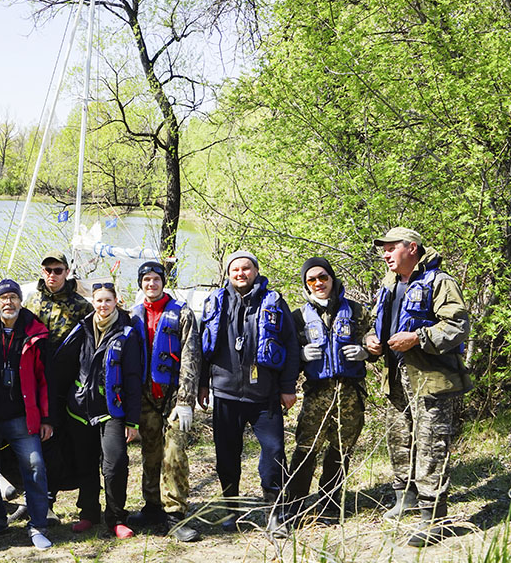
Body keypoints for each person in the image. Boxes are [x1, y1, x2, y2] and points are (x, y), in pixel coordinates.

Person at [365, 228, 471, 547]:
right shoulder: (389, 284)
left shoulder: (440, 281)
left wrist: (418, 338)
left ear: (412, 248)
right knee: (400, 438)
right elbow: (377, 321)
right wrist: (371, 339)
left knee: (431, 446)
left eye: (391, 248)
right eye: (382, 249)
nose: (385, 254)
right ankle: (404, 498)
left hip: (431, 380)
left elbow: (457, 325)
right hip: (396, 377)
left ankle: (434, 519)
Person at [198, 251, 300, 536]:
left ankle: (276, 513)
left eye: (246, 268)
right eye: (235, 269)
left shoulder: (274, 302)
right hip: (226, 394)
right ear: (228, 274)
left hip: (264, 395)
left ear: (256, 271)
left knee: (275, 452)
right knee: (226, 456)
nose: (241, 273)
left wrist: (288, 387)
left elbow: (291, 347)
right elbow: (202, 346)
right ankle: (233, 510)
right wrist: (202, 384)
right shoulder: (215, 302)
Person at [56, 282, 143, 538]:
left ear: (117, 301)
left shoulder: (127, 333)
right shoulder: (81, 329)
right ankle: (88, 514)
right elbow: (64, 367)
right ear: (92, 302)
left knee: (115, 465)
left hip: (112, 410)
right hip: (79, 410)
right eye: (98, 300)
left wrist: (133, 420)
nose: (103, 305)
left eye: (107, 300)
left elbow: (133, 379)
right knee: (85, 464)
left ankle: (116, 518)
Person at [286, 258, 369, 522]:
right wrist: (300, 355)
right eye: (312, 280)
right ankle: (295, 505)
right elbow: (285, 354)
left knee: (342, 448)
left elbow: (375, 339)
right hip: (316, 392)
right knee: (306, 448)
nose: (318, 283)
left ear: (332, 279)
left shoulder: (356, 311)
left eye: (323, 277)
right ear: (306, 285)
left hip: (350, 392)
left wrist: (365, 350)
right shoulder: (297, 317)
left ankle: (331, 502)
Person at [128, 261, 201, 542]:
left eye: (156, 279)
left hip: (174, 397)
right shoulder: (132, 316)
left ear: (163, 282)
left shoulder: (182, 313)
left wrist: (185, 399)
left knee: (174, 455)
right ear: (140, 283)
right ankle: (151, 507)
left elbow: (191, 356)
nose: (151, 284)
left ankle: (175, 513)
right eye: (146, 280)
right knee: (150, 453)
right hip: (145, 398)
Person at [0, 279, 53, 550]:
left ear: (21, 301)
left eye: (13, 297)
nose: (7, 302)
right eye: (2, 298)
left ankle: (38, 525)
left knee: (34, 466)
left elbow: (45, 379)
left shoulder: (36, 332)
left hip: (24, 415)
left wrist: (46, 418)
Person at [20, 250, 93, 521]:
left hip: (71, 384)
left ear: (67, 272)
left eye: (58, 270)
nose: (52, 275)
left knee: (71, 443)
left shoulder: (80, 304)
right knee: (42, 442)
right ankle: (41, 500)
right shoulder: (32, 302)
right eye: (48, 270)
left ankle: (79, 502)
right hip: (39, 383)